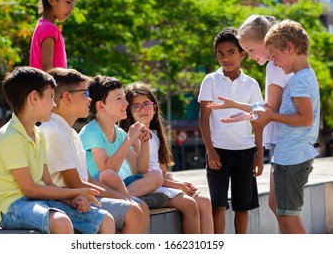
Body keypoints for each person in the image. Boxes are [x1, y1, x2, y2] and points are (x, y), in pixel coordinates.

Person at [0, 66, 115, 234]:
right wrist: (78, 191)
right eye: (51, 97)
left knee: (105, 219)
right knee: (61, 222)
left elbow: (48, 183)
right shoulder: (11, 137)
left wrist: (71, 199)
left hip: (37, 201)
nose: (54, 104)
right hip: (11, 206)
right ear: (34, 98)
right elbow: (30, 189)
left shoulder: (38, 134)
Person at [206, 15, 293, 228]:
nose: (250, 55)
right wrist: (245, 113)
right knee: (277, 206)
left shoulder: (271, 70)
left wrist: (236, 105)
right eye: (220, 54)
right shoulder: (211, 80)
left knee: (278, 208)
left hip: (273, 146)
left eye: (250, 50)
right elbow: (267, 112)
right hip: (280, 144)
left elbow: (266, 112)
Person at [40, 68, 148, 233]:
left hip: (82, 193)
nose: (89, 99)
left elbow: (88, 179)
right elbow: (76, 183)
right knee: (133, 211)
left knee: (138, 206)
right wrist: (123, 197)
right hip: (69, 200)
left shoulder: (70, 132)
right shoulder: (55, 131)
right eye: (84, 94)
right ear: (67, 97)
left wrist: (124, 197)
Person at [252, 19, 320, 234]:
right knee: (283, 213)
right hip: (291, 156)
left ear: (289, 48)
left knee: (289, 218)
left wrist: (272, 116)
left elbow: (305, 119)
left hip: (293, 158)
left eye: (274, 56)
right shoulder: (304, 76)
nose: (275, 63)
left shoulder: (299, 80)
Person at [119, 82, 214, 234]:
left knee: (205, 202)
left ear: (154, 107)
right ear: (128, 111)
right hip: (146, 186)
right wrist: (178, 187)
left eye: (146, 104)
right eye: (136, 106)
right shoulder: (130, 137)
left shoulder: (155, 135)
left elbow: (162, 172)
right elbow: (142, 173)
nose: (142, 109)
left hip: (162, 183)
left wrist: (180, 183)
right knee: (189, 205)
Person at [198, 27, 264, 234]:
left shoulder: (252, 84)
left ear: (243, 53)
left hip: (245, 152)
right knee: (218, 205)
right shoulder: (210, 80)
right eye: (220, 54)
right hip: (218, 151)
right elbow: (203, 118)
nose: (225, 58)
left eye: (231, 53)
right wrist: (211, 151)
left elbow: (258, 120)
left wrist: (260, 155)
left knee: (242, 208)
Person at [78, 75, 168, 211]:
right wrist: (129, 140)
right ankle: (132, 199)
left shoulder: (118, 133)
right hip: (99, 189)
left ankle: (128, 197)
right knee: (108, 176)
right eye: (119, 99)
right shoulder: (92, 132)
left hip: (117, 186)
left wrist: (144, 142)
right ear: (101, 106)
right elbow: (107, 170)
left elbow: (140, 170)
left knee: (156, 175)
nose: (126, 103)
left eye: (124, 98)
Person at [30, 0, 76, 71]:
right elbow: (47, 68)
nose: (72, 8)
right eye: (68, 2)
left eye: (73, 3)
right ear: (51, 0)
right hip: (50, 86)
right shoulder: (49, 29)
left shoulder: (42, 25)